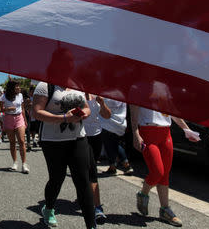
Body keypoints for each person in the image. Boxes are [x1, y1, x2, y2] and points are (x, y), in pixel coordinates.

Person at [32, 82, 96, 229]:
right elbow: (36, 112)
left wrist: (85, 113)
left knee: (83, 180)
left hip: (78, 138)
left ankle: (91, 225)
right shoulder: (44, 85)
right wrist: (64, 118)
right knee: (56, 179)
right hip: (53, 141)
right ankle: (48, 209)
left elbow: (86, 107)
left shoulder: (77, 85)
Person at [131, 106, 199, 227]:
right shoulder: (138, 88)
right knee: (157, 172)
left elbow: (172, 113)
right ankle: (143, 194)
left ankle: (165, 210)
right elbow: (133, 108)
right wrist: (135, 133)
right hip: (147, 132)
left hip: (166, 133)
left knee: (165, 174)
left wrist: (187, 130)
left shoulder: (165, 89)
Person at [84, 94, 111, 223]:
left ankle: (87, 193)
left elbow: (107, 115)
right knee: (91, 170)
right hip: (80, 136)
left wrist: (103, 103)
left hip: (96, 136)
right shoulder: (75, 93)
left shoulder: (96, 96)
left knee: (89, 169)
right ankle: (97, 207)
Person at [0, 80, 29, 174]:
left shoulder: (20, 95)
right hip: (8, 118)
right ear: (12, 87)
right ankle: (15, 162)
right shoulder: (3, 97)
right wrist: (8, 109)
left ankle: (24, 164)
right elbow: (0, 109)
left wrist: (25, 120)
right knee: (12, 142)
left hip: (19, 117)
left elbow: (23, 108)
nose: (19, 88)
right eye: (17, 86)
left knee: (21, 140)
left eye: (19, 86)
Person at [100, 99, 134, 175]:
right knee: (115, 144)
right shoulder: (122, 95)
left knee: (110, 146)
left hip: (108, 123)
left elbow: (103, 108)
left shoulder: (107, 97)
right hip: (120, 124)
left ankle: (114, 166)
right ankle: (124, 165)